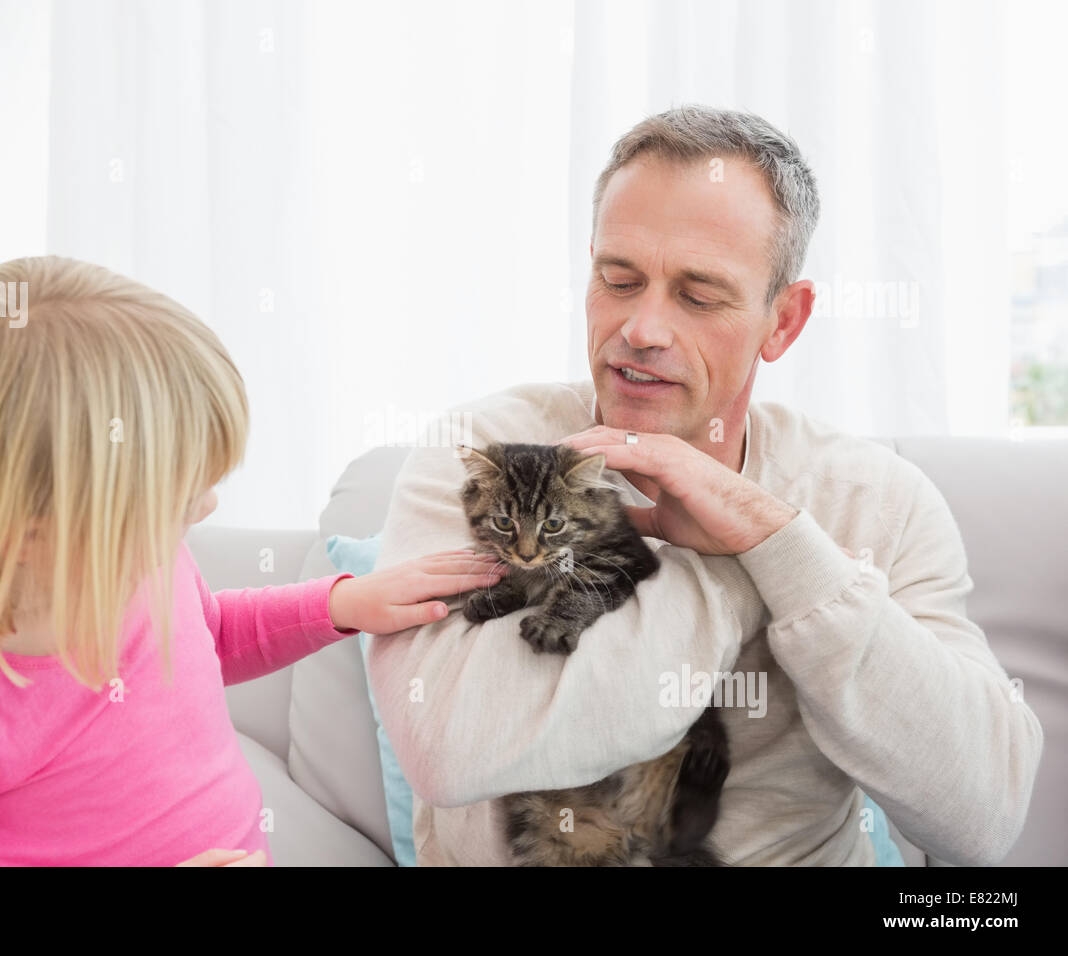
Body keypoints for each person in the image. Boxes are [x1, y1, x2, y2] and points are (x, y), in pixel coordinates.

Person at [368, 105, 1044, 866]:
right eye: (618, 279)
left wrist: (777, 541)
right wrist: (729, 577)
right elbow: (447, 749)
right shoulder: (481, 458)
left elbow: (983, 815)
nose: (642, 329)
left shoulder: (877, 500)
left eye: (697, 295)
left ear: (782, 322)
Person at [0, 255, 505, 866]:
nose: (206, 505)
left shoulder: (136, 569)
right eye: (174, 496)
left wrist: (338, 605)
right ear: (38, 531)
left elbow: (201, 636)